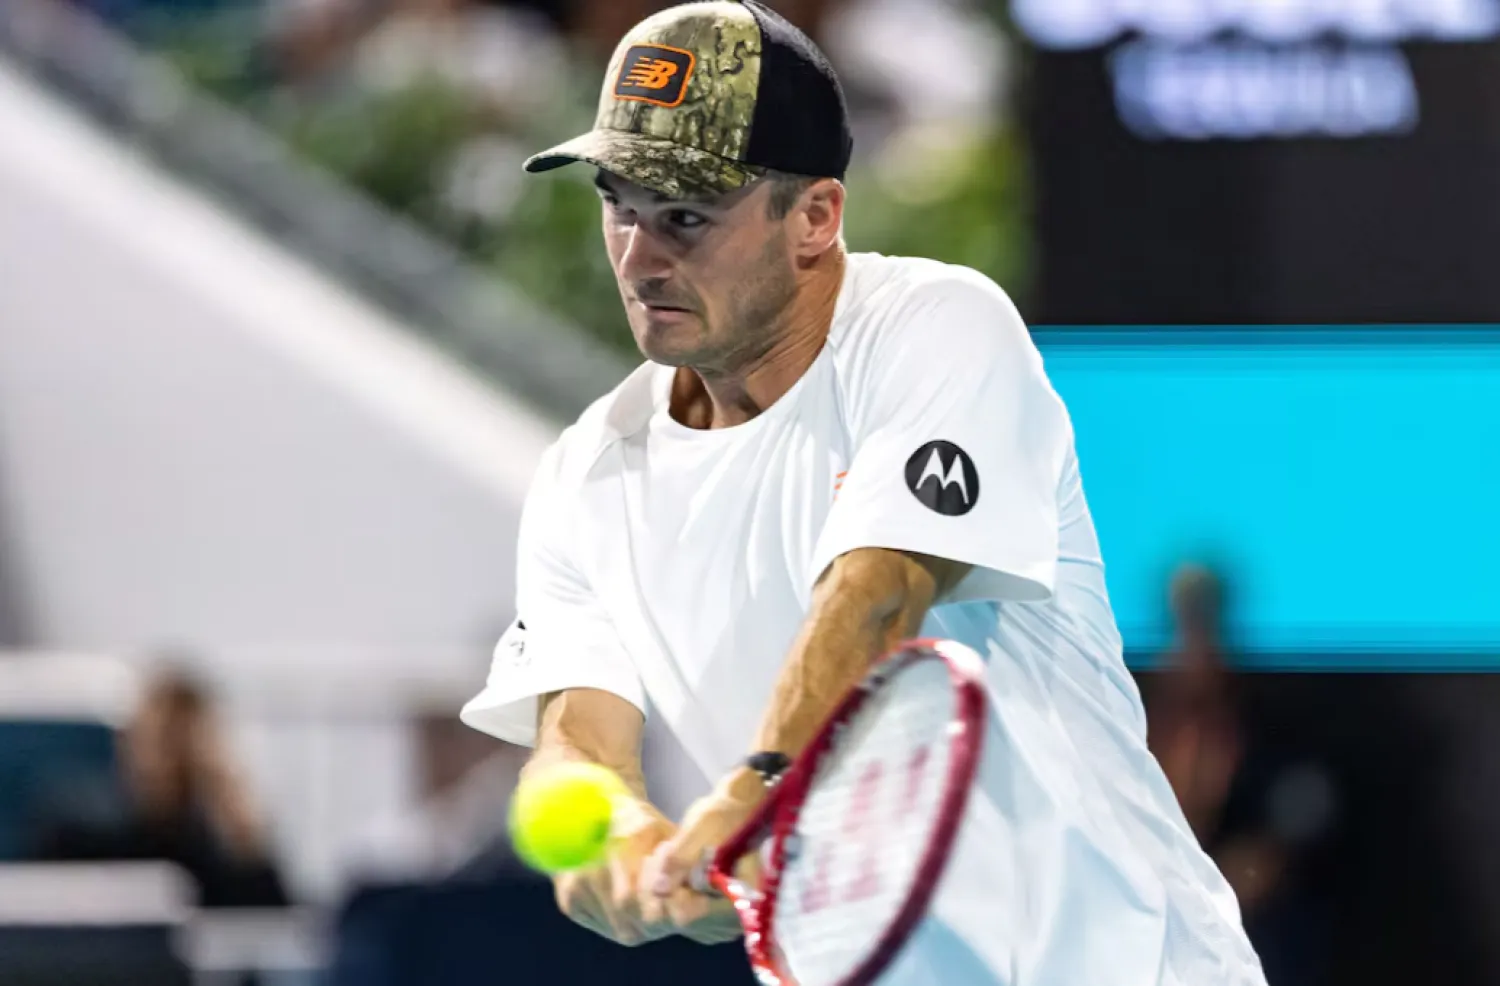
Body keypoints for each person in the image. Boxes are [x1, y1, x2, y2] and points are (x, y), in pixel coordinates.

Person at [459, 2, 1267, 982]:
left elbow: (876, 592)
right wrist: (616, 850)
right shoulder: (587, 469)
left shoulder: (939, 326)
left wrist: (759, 787)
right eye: (619, 202)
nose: (639, 253)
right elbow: (577, 740)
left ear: (815, 218)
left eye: (686, 214)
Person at [31, 666, 290, 909]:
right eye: (161, 739)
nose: (169, 756)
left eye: (181, 740)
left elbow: (270, 919)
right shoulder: (85, 830)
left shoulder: (230, 842)